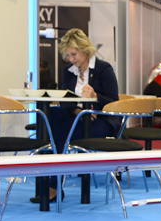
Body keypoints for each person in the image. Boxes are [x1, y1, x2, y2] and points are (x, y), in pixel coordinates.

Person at [37, 28, 120, 202]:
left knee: (59, 133)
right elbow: (65, 102)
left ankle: (52, 185)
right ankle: (47, 178)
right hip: (78, 118)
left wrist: (95, 97)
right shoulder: (68, 70)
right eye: (68, 55)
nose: (71, 59)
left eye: (74, 54)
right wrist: (78, 111)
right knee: (49, 117)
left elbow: (114, 103)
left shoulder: (103, 69)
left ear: (85, 49)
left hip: (101, 120)